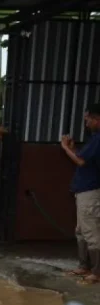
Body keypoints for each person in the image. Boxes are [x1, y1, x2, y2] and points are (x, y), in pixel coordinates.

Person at [61, 103, 100, 284]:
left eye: (88, 120)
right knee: (82, 231)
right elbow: (83, 158)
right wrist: (73, 149)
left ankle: (96, 272)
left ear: (97, 119)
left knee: (91, 231)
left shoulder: (98, 139)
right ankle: (84, 266)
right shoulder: (94, 139)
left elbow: (81, 162)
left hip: (91, 191)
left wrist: (65, 148)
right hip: (85, 190)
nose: (86, 124)